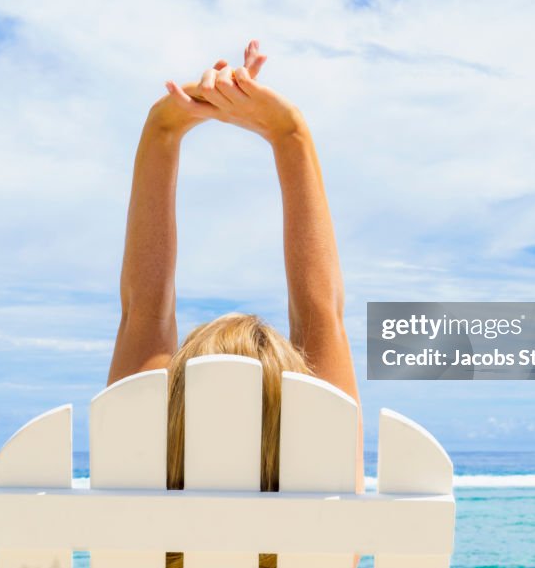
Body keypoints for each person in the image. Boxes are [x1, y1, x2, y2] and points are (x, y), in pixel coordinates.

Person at [106, 41, 363, 567]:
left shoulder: (137, 523)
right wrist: (288, 133)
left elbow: (143, 309)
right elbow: (323, 311)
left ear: (171, 409)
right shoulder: (330, 528)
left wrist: (165, 127)